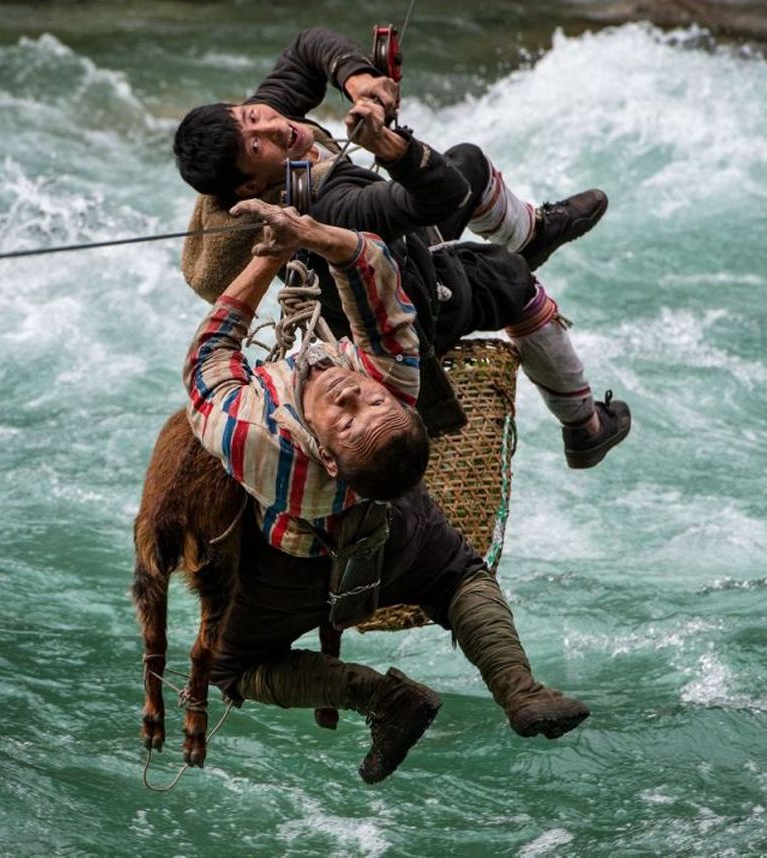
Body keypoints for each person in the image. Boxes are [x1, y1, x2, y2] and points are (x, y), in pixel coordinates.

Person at [184, 199, 589, 783]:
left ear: (324, 452)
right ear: (400, 403)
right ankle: (521, 691)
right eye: (367, 402)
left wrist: (271, 256)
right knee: (457, 577)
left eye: (351, 415)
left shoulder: (258, 438)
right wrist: (312, 233)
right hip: (398, 536)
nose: (352, 393)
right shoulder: (395, 379)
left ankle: (383, 700)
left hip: (290, 574)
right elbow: (373, 272)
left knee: (233, 667)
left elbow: (210, 357)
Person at [174, 27, 630, 469]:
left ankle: (533, 233)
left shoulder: (270, 132)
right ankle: (585, 429)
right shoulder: (330, 206)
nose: (275, 126)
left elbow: (308, 47)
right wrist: (391, 147)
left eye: (253, 115)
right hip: (407, 306)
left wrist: (359, 80)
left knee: (468, 161)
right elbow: (440, 197)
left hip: (393, 250)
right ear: (251, 184)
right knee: (511, 277)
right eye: (258, 144)